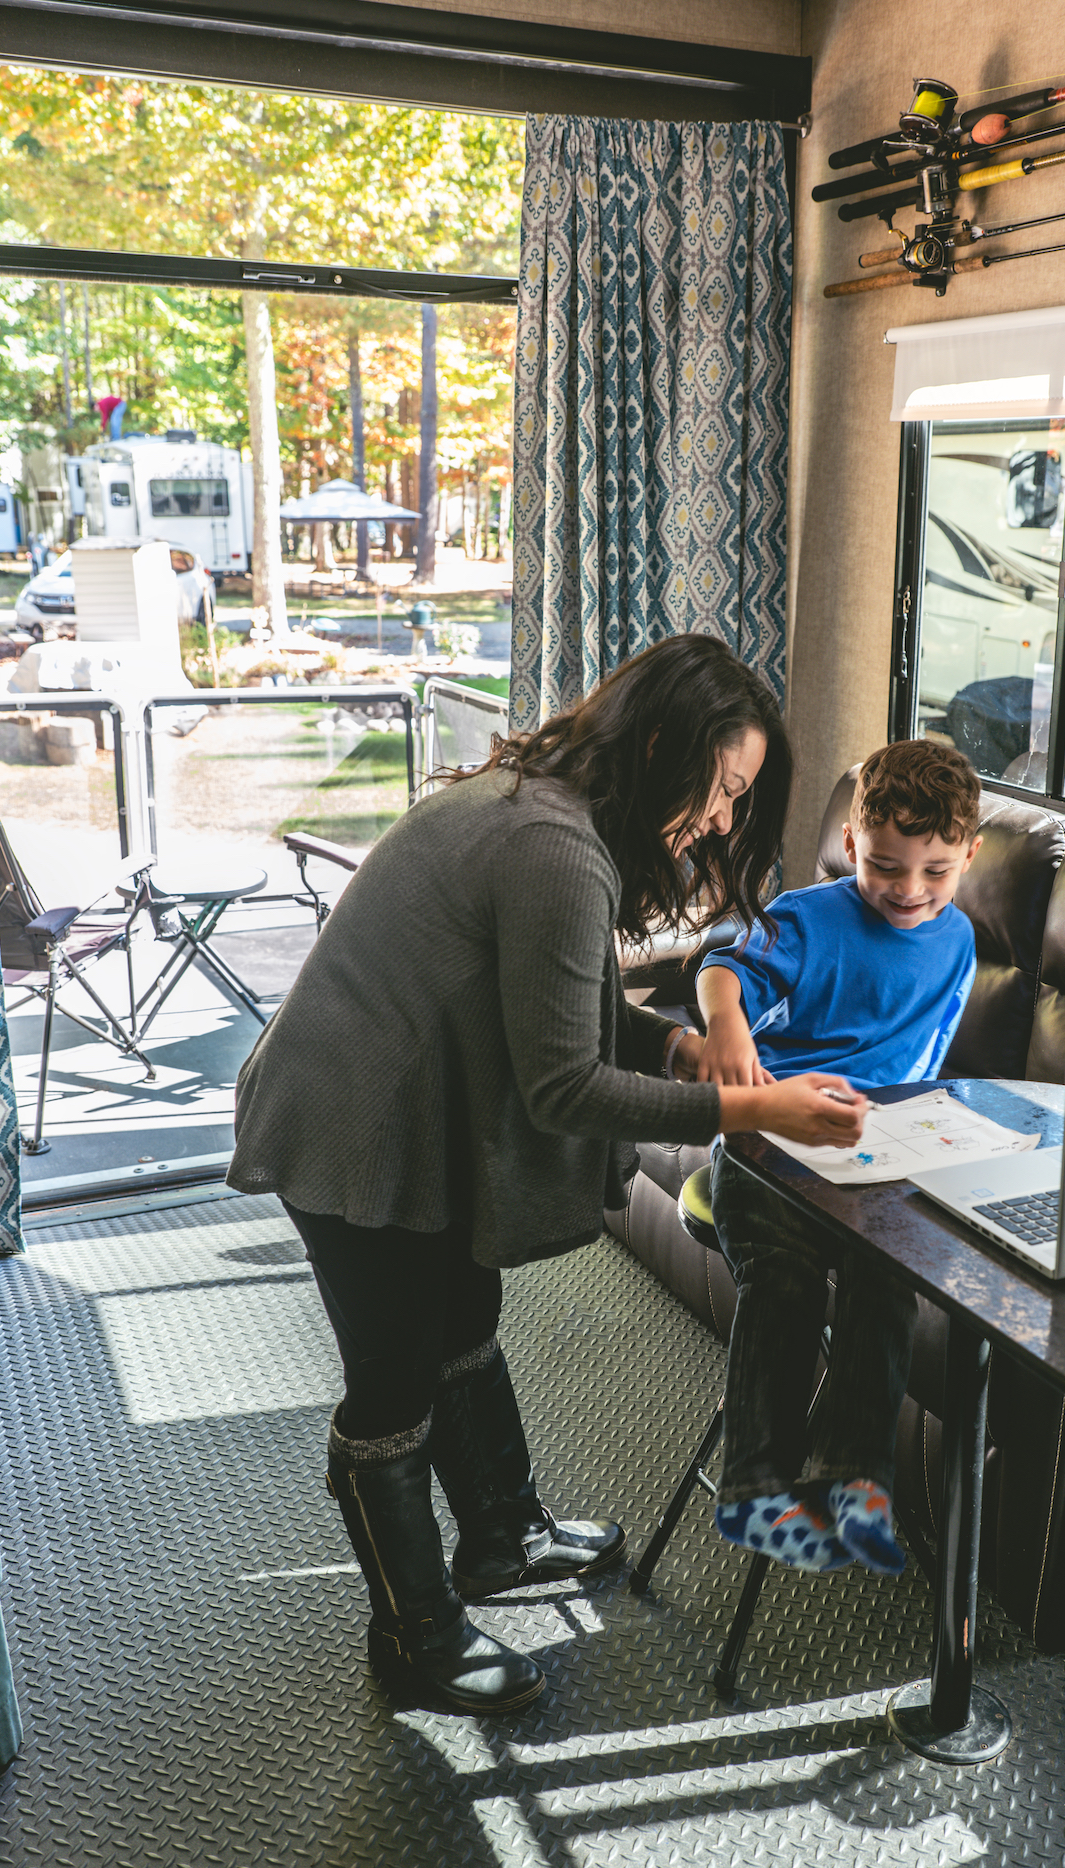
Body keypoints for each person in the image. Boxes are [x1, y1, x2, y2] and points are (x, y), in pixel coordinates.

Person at [227, 635, 865, 1717]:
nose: (721, 820)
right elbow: (564, 1085)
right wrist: (751, 1103)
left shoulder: (541, 800)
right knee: (391, 1382)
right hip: (350, 1122)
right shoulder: (556, 849)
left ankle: (502, 1539)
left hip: (402, 1103)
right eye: (724, 788)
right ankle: (414, 1634)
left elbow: (552, 996)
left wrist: (672, 1045)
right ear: (663, 743)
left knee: (464, 1306)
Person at [695, 740, 982, 1575]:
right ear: (852, 844)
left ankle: (852, 1476)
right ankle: (752, 1490)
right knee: (782, 1279)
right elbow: (722, 965)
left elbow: (919, 1063)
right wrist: (728, 1027)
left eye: (935, 871)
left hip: (873, 1156)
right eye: (887, 866)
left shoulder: (956, 938)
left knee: (886, 1276)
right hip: (770, 1141)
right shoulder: (810, 917)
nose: (908, 890)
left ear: (968, 855)